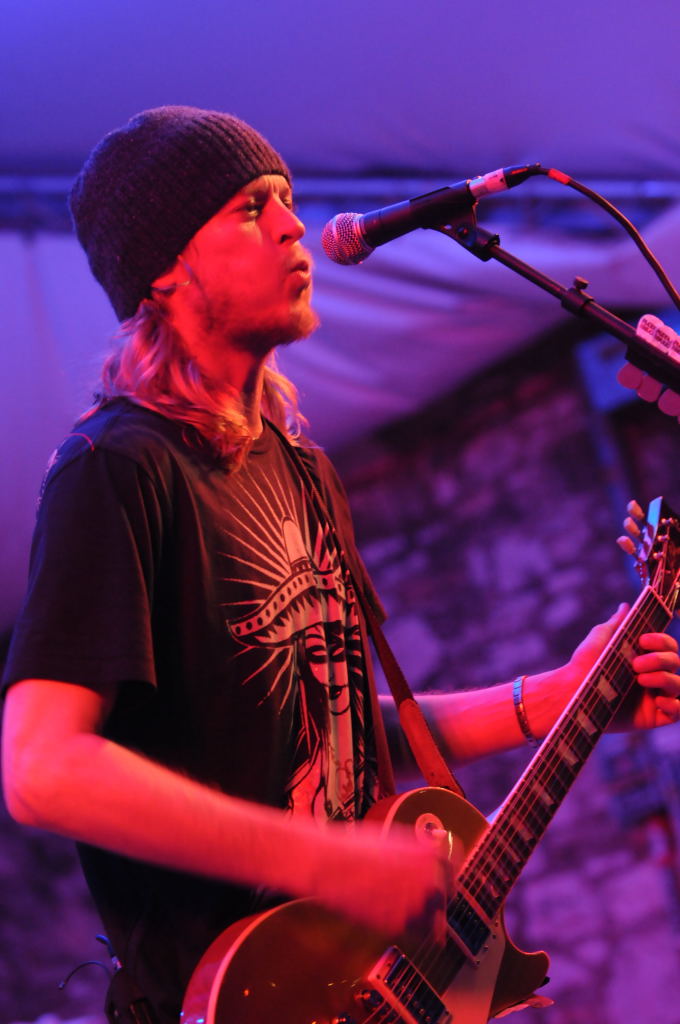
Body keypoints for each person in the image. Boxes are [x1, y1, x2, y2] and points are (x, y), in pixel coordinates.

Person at [1, 106, 679, 1024]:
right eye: (251, 208)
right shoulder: (115, 469)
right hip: (227, 994)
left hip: (358, 984)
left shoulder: (303, 471)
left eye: (286, 197)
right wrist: (322, 860)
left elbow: (341, 730)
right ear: (162, 270)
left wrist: (551, 699)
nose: (293, 225)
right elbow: (41, 767)